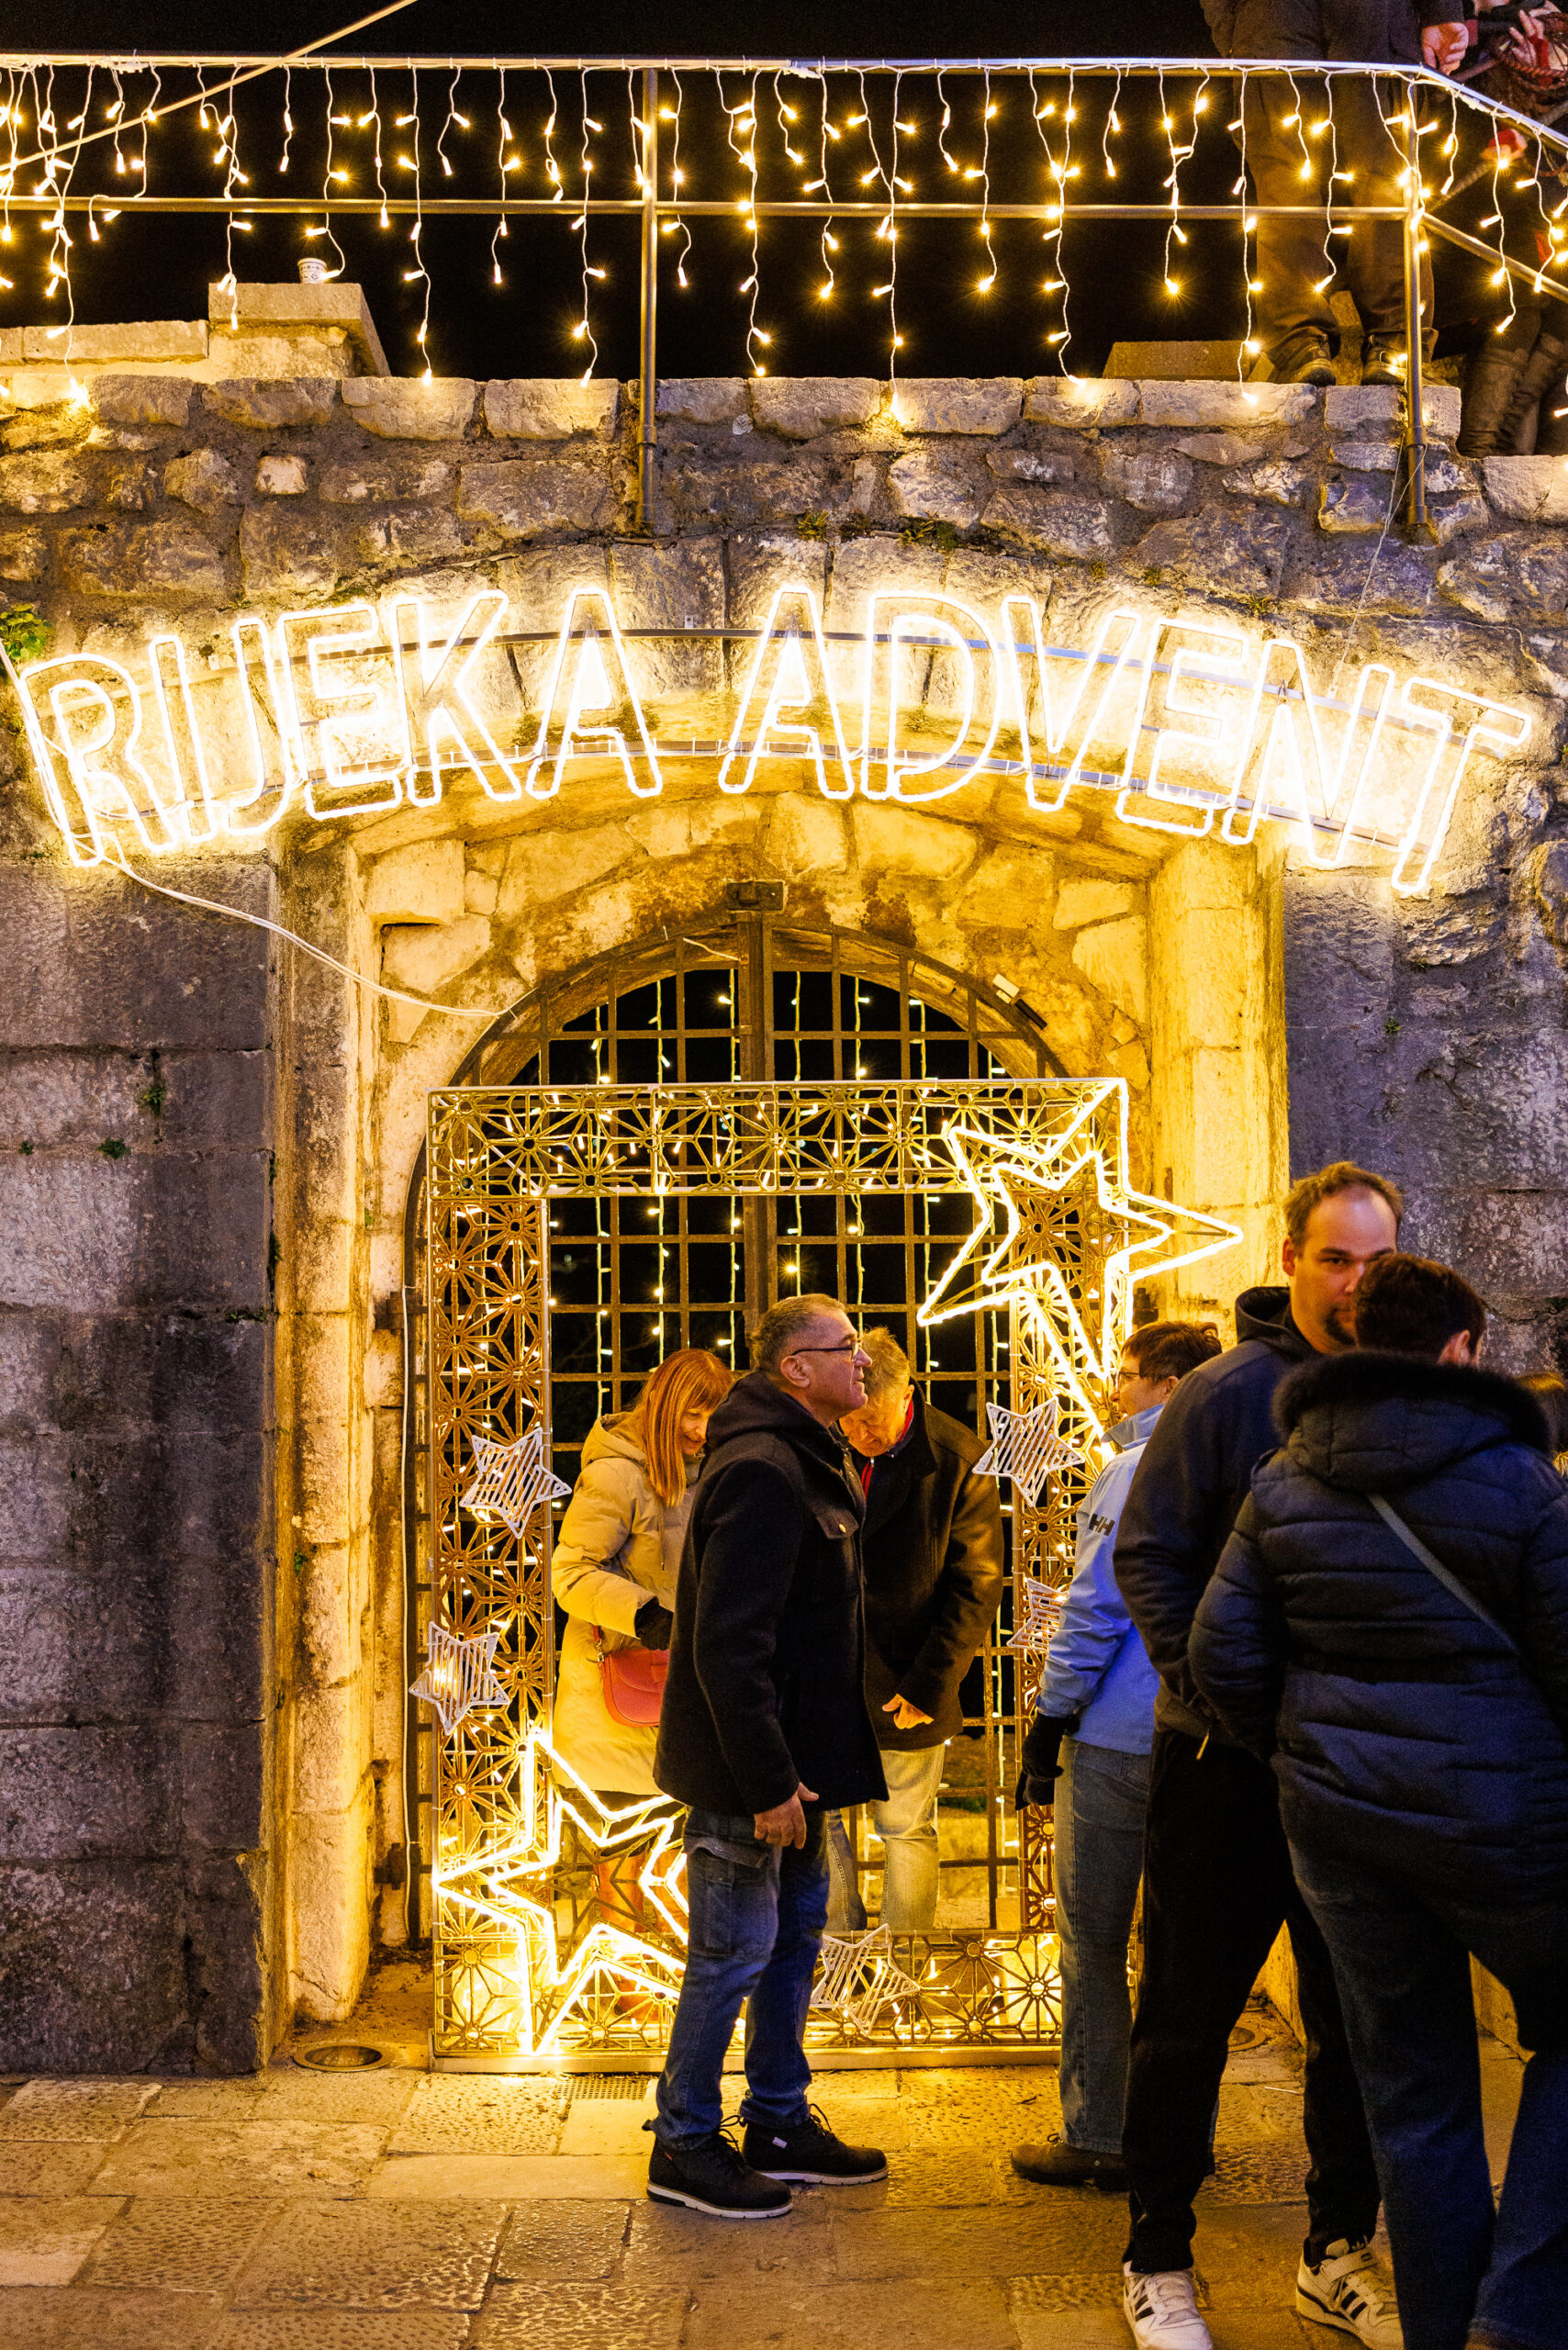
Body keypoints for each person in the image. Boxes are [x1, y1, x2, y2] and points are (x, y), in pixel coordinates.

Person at [1191, 1253, 1568, 2350]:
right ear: (1461, 1349)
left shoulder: (1284, 1477)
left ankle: (1446, 2329)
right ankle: (1519, 2310)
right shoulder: (1519, 1480)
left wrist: (1301, 1754)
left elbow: (1220, 1657)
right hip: (1503, 1823)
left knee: (1410, 2092)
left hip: (1342, 1833)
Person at [1113, 1162, 1403, 2350]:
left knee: (1355, 2024)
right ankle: (1156, 2256)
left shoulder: (1403, 1387)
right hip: (1221, 1767)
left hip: (1354, 1771)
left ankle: (1336, 2250)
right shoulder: (1225, 1395)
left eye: (1376, 1260)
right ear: (1290, 1261)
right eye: (1335, 1258)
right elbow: (1150, 1555)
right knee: (1187, 2018)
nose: (1356, 1283)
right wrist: (1216, 1698)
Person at [648, 1294, 890, 2220]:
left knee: (790, 1943)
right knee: (731, 1953)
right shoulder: (762, 1468)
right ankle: (683, 2142)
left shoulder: (807, 1451)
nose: (861, 1360)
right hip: (754, 1775)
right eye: (845, 1347)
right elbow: (728, 1646)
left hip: (800, 1766)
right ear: (796, 1368)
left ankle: (779, 2121)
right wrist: (766, 1782)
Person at [1010, 1320, 1224, 2194]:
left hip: (1116, 1734)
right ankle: (1181, 2135)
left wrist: (1052, 1718)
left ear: (1169, 1385)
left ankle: (1101, 2132)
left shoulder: (1136, 1468)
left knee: (1093, 1940)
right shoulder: (1236, 1462)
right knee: (1185, 1952)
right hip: (1204, 1737)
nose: (1116, 1389)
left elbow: (1095, 1609)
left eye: (1129, 1374)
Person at [823, 1327, 1005, 1935]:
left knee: (905, 1827)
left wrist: (930, 1684)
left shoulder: (958, 1457)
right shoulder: (824, 1438)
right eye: (850, 1419)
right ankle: (839, 1957)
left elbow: (976, 1586)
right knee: (822, 1819)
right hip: (826, 1671)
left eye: (871, 1422)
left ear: (906, 1395)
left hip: (908, 1676)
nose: (858, 1434)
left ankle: (902, 1967)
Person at [1199, 0, 1466, 385]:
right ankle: (1312, 343)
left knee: (1382, 176)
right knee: (1294, 180)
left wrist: (1443, 11)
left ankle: (1384, 341)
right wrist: (1233, 27)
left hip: (1362, 17)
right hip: (1277, 18)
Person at [551, 1348, 733, 1805]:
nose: (702, 1430)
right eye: (692, 1414)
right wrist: (646, 1615)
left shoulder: (709, 1472)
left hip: (678, 1709)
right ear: (662, 1405)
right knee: (618, 1845)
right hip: (611, 1714)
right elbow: (571, 1573)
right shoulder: (616, 1474)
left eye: (713, 1416)